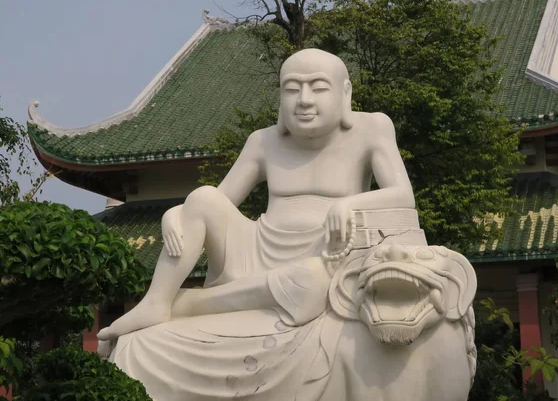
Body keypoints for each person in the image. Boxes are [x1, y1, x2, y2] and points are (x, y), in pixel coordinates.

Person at [97, 49, 415, 341]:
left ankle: (190, 305)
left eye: (318, 87)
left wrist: (352, 203)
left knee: (308, 281)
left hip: (322, 255)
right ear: (280, 97)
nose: (304, 100)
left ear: (345, 93)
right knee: (203, 195)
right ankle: (158, 301)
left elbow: (402, 194)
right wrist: (174, 214)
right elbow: (216, 202)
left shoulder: (372, 129)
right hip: (255, 250)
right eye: (292, 88)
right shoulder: (262, 142)